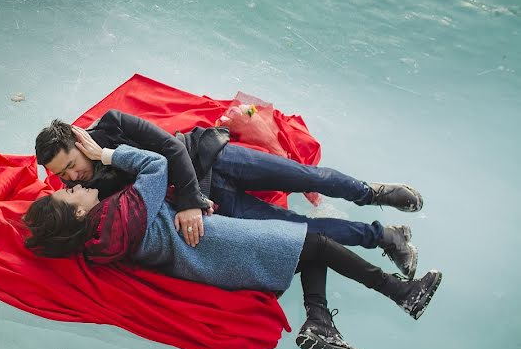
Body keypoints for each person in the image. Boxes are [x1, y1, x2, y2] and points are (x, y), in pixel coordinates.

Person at [22, 137, 442, 349]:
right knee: (312, 243)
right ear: (78, 212)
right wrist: (105, 154)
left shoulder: (98, 242)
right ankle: (400, 292)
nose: (70, 185)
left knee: (307, 248)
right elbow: (156, 165)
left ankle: (319, 323)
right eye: (69, 190)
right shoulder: (123, 212)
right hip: (222, 245)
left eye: (68, 179)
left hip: (210, 257)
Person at [34, 111, 423, 278]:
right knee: (299, 230)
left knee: (306, 176)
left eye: (69, 165)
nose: (70, 178)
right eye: (60, 176)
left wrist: (190, 202)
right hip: (213, 208)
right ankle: (385, 236)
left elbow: (170, 150)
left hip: (210, 160)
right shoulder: (83, 192)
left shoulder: (113, 124)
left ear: (77, 139)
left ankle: (371, 192)